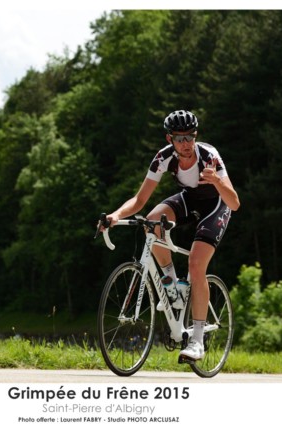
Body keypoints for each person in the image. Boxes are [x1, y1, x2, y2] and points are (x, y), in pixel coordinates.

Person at [101, 109, 240, 362]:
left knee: (196, 265)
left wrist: (217, 182)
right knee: (151, 221)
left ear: (195, 136)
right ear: (170, 139)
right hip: (190, 199)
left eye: (190, 137)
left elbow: (234, 202)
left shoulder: (209, 156)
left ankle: (197, 340)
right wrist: (116, 215)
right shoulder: (163, 158)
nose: (186, 144)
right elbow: (140, 199)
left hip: (216, 206)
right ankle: (171, 283)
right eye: (179, 138)